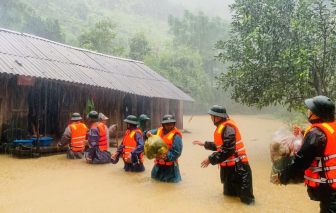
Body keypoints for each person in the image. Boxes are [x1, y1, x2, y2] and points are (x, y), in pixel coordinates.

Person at [273, 96, 336, 213]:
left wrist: (283, 176)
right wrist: (302, 132)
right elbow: (324, 142)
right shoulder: (331, 128)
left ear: (316, 114)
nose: (308, 110)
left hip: (330, 191)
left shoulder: (316, 133)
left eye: (310, 109)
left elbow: (301, 161)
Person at [193, 105, 255, 205]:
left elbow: (228, 150)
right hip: (229, 170)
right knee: (229, 199)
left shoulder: (228, 128)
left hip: (239, 169)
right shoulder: (223, 128)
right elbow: (220, 146)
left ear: (217, 117)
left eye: (212, 116)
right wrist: (205, 144)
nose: (211, 119)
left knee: (246, 201)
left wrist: (210, 159)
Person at [144, 115, 183, 183]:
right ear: (163, 125)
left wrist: (166, 156)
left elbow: (177, 152)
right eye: (167, 124)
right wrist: (147, 133)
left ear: (174, 124)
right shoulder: (158, 131)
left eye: (171, 124)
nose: (169, 126)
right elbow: (145, 133)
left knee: (171, 187)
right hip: (158, 167)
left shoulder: (176, 136)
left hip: (170, 169)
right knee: (155, 184)